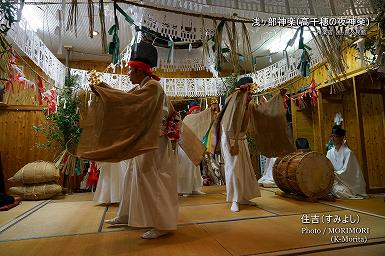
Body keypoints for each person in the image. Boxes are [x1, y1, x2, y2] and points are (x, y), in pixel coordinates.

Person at [78, 41, 178, 239]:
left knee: (153, 182)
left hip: (154, 143)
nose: (128, 74)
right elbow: (125, 99)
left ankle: (163, 224)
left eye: (131, 71)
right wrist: (103, 89)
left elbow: (126, 102)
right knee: (132, 178)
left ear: (140, 71)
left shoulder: (153, 87)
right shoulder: (144, 86)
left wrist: (104, 89)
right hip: (146, 140)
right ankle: (126, 214)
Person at [220, 77, 295, 212]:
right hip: (230, 140)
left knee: (245, 170)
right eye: (248, 93)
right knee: (233, 169)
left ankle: (243, 197)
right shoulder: (232, 100)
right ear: (241, 91)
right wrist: (239, 93)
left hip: (242, 140)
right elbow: (231, 103)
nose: (251, 96)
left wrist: (279, 97)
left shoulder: (249, 106)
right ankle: (235, 199)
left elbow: (265, 111)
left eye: (251, 94)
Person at [326, 126, 367, 199]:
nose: (333, 139)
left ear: (341, 138)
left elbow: (346, 171)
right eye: (332, 136)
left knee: (339, 191)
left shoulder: (348, 152)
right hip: (335, 180)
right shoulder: (330, 152)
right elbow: (327, 166)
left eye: (335, 136)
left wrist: (333, 174)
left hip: (348, 183)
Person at [176, 102, 204, 196]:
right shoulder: (188, 118)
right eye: (196, 110)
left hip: (194, 146)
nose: (198, 111)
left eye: (199, 110)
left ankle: (195, 188)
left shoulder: (199, 120)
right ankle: (184, 189)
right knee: (186, 168)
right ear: (191, 111)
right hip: (186, 147)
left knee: (195, 168)